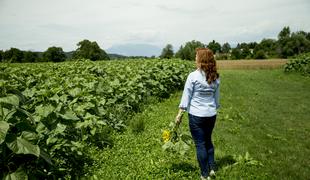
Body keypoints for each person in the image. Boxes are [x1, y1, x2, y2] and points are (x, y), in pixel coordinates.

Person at [175, 48, 220, 180]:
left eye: (196, 56)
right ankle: (212, 168)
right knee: (208, 141)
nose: (195, 59)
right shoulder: (216, 77)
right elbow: (216, 99)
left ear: (201, 60)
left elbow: (186, 97)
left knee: (200, 144)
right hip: (211, 114)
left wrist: (179, 114)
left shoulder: (193, 76)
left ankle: (204, 174)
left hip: (196, 116)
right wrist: (213, 108)